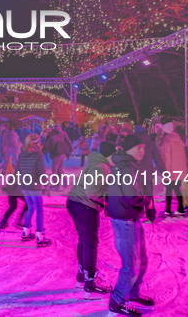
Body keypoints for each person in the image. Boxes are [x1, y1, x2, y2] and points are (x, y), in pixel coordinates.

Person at [107, 135, 156, 316]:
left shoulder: (127, 165)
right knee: (132, 266)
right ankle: (117, 301)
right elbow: (132, 196)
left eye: (143, 148)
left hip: (128, 218)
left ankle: (132, 294)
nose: (142, 151)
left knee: (141, 261)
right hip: (125, 221)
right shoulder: (127, 167)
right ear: (129, 150)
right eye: (138, 148)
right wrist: (148, 202)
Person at [67, 141, 116, 299]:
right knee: (91, 243)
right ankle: (90, 283)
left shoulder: (95, 162)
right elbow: (92, 192)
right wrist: (107, 200)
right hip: (85, 206)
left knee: (85, 240)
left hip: (75, 202)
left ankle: (82, 276)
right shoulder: (101, 167)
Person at [16, 133, 52, 248]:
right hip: (34, 185)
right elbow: (41, 171)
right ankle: (40, 236)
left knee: (30, 207)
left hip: (24, 185)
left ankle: (26, 232)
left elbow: (18, 170)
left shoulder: (22, 154)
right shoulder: (38, 154)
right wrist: (46, 185)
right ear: (38, 142)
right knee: (39, 210)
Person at [160, 122, 186, 216]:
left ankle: (168, 210)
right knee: (177, 189)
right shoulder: (179, 141)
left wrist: (166, 173)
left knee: (168, 191)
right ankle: (181, 208)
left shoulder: (167, 142)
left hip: (170, 171)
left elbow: (167, 159)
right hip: (179, 170)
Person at [134, 126, 165, 201]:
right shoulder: (151, 143)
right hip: (147, 175)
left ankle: (139, 212)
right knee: (148, 197)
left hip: (134, 174)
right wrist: (164, 172)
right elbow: (158, 159)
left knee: (136, 197)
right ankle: (150, 211)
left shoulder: (132, 144)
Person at [46, 125, 72, 191]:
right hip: (63, 152)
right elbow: (68, 141)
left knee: (55, 169)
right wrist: (70, 149)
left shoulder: (52, 134)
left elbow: (48, 143)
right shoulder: (64, 133)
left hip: (56, 153)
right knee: (60, 169)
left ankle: (56, 183)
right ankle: (64, 179)